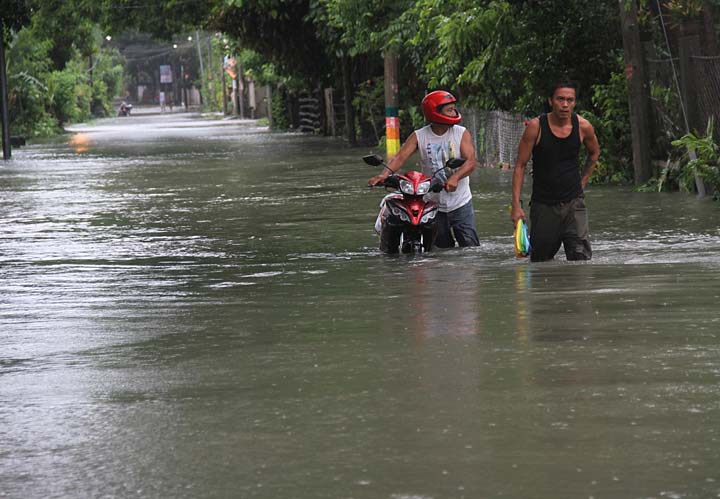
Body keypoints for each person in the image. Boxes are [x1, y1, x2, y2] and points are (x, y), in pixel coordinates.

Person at [368, 90, 480, 250]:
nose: (454, 112)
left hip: (461, 202)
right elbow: (400, 157)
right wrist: (383, 175)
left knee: (471, 248)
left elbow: (471, 162)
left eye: (454, 108)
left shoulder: (461, 133)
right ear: (435, 112)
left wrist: (456, 177)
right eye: (449, 110)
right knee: (441, 250)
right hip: (433, 202)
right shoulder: (419, 136)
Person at [510, 80, 600, 262]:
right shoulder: (536, 127)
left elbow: (594, 153)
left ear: (574, 102)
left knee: (580, 259)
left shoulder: (583, 127)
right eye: (560, 99)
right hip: (544, 205)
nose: (565, 104)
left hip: (574, 204)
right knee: (540, 261)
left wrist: (582, 182)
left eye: (570, 100)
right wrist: (516, 206)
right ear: (551, 101)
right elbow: (520, 165)